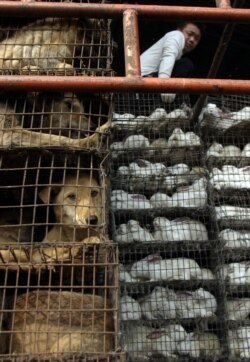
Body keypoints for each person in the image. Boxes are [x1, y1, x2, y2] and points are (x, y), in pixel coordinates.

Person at [140, 21, 204, 103]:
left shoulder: (179, 52)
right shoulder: (177, 34)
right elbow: (168, 55)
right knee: (186, 65)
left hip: (146, 84)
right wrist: (164, 85)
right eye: (190, 34)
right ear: (179, 30)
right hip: (144, 81)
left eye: (196, 38)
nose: (192, 40)